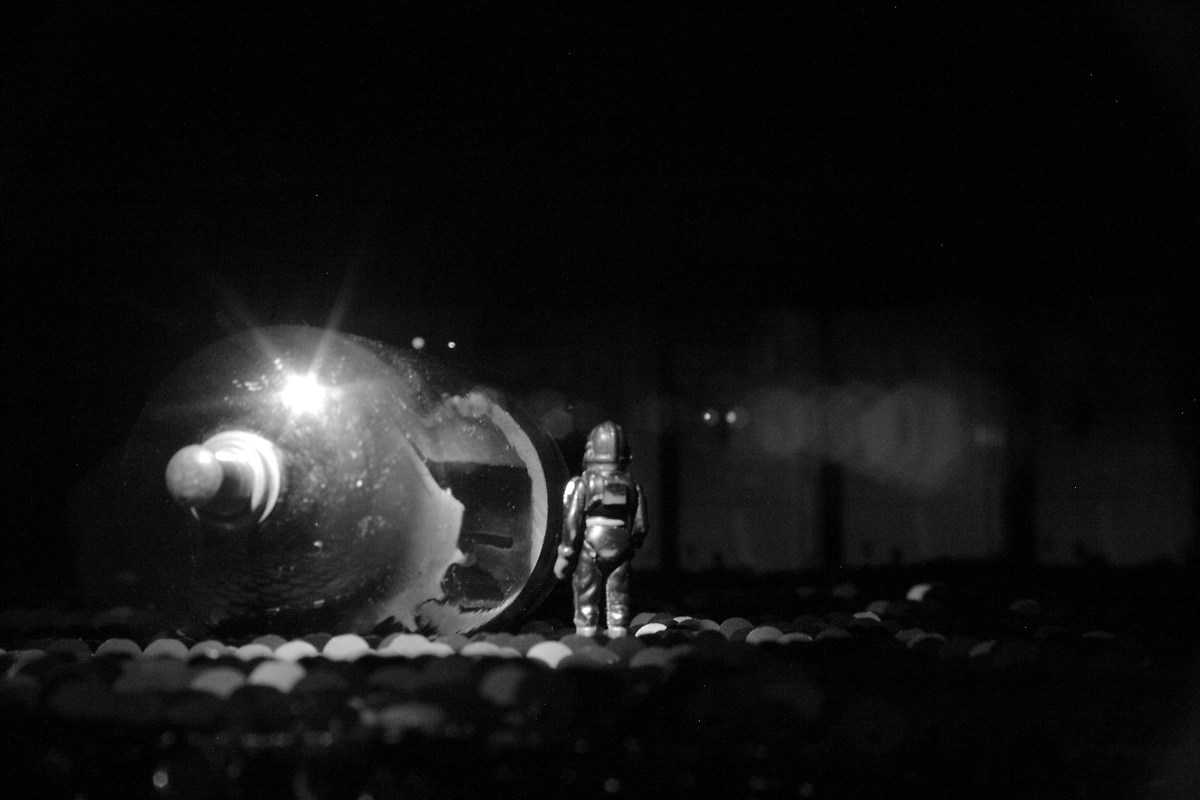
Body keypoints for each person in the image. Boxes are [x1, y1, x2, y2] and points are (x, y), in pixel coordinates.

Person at [554, 421, 648, 637]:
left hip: (590, 547)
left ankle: (586, 632)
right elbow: (641, 524)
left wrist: (565, 555)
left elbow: (572, 522)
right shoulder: (632, 485)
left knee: (586, 592)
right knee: (619, 596)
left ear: (591, 452)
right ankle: (619, 632)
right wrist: (632, 545)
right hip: (621, 547)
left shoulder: (583, 484)